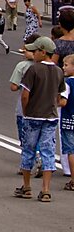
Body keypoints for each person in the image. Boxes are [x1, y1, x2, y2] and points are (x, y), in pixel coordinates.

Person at [14, 36, 67, 202]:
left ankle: (27, 186)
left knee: (29, 149)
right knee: (48, 151)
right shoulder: (59, 71)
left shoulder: (34, 70)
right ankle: (46, 189)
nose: (32, 53)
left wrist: (26, 111)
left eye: (34, 51)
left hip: (32, 116)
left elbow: (25, 95)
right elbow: (60, 95)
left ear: (43, 53)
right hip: (50, 117)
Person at [10, 34, 41, 177]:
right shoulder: (45, 66)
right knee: (40, 136)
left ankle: (26, 165)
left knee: (25, 138)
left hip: (24, 109)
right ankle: (40, 158)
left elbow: (14, 86)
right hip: (42, 108)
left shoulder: (22, 66)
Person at [60, 54, 74, 192]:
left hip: (69, 119)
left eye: (66, 65)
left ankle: (73, 180)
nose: (63, 67)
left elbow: (63, 101)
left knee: (70, 150)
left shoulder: (67, 83)